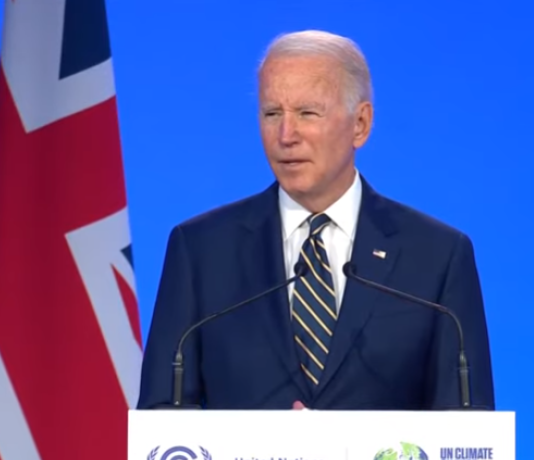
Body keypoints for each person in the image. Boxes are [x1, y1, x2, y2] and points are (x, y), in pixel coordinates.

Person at [136, 30, 495, 410]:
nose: (286, 135)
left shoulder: (437, 256)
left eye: (307, 113)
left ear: (360, 124)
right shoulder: (201, 250)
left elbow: (464, 429)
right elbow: (164, 416)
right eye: (272, 113)